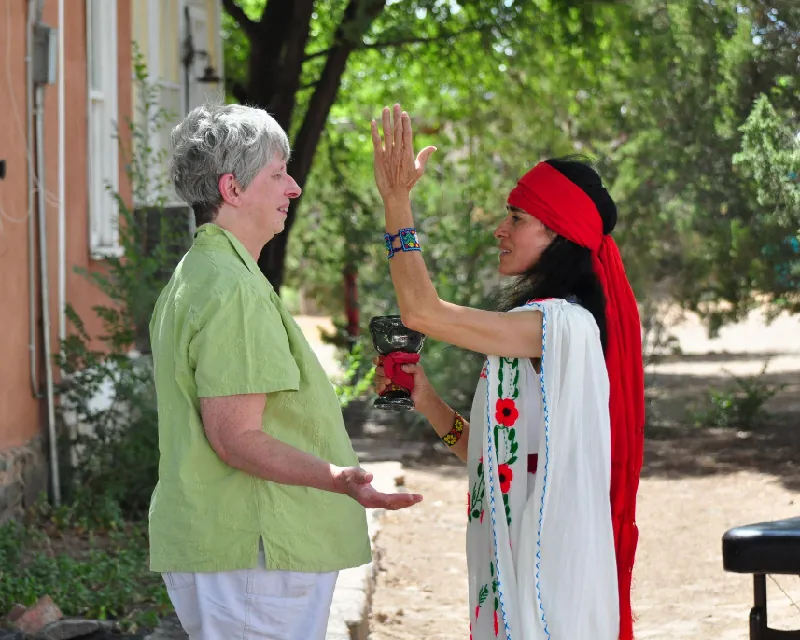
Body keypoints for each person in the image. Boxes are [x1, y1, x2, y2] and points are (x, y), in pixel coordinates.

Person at [148, 103, 422, 640]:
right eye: (277, 174)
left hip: (240, 551)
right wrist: (338, 480)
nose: (293, 188)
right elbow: (236, 438)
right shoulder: (231, 289)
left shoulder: (203, 273)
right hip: (254, 553)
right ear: (232, 188)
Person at [371, 104, 644, 640]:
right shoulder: (545, 328)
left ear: (558, 233)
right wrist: (426, 400)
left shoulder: (557, 324)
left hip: (548, 586)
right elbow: (499, 458)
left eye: (516, 217)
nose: (500, 229)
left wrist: (397, 201)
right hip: (521, 570)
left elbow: (421, 312)